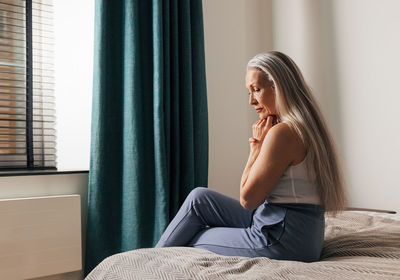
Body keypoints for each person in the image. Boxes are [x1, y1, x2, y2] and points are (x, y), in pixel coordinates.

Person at [155, 51, 347, 262]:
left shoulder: (283, 133)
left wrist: (255, 150)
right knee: (199, 199)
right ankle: (151, 260)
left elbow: (248, 200)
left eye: (256, 90)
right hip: (294, 230)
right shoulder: (308, 127)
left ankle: (148, 263)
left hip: (282, 239)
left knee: (194, 236)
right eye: (249, 92)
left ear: (279, 88)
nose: (251, 101)